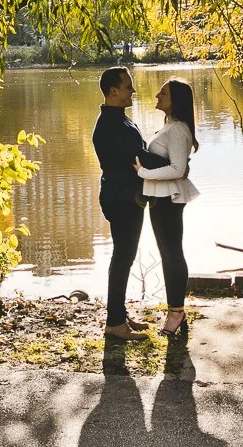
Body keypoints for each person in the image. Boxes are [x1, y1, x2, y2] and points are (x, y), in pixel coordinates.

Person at [92, 66, 169, 341]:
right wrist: (175, 165)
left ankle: (119, 315)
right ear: (114, 91)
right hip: (121, 199)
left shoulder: (121, 121)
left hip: (126, 197)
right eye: (128, 86)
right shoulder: (111, 125)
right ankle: (114, 323)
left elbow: (141, 153)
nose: (133, 91)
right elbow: (140, 158)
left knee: (124, 256)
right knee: (123, 257)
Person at [134, 77, 200, 338]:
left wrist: (143, 173)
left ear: (176, 101)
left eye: (163, 93)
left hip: (169, 198)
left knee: (172, 253)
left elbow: (178, 169)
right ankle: (176, 310)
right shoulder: (171, 127)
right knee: (168, 252)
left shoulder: (177, 129)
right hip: (161, 197)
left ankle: (176, 312)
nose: (157, 96)